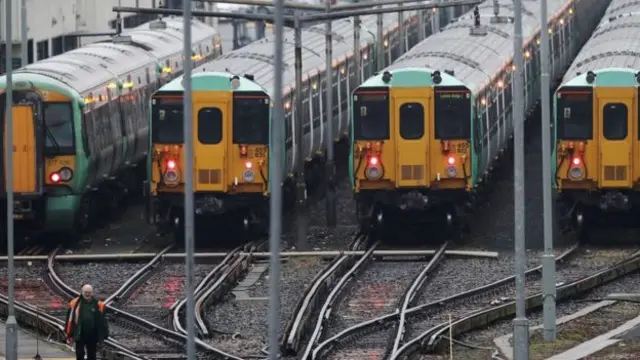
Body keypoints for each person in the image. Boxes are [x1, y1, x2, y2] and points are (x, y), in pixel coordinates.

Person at [65, 284, 109, 360]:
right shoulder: (75, 303)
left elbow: (103, 321)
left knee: (92, 355)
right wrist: (69, 332)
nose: (88, 294)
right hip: (80, 333)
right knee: (79, 354)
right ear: (82, 292)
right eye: (86, 292)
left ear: (92, 293)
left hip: (92, 334)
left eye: (89, 292)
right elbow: (69, 319)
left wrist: (105, 333)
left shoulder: (98, 304)